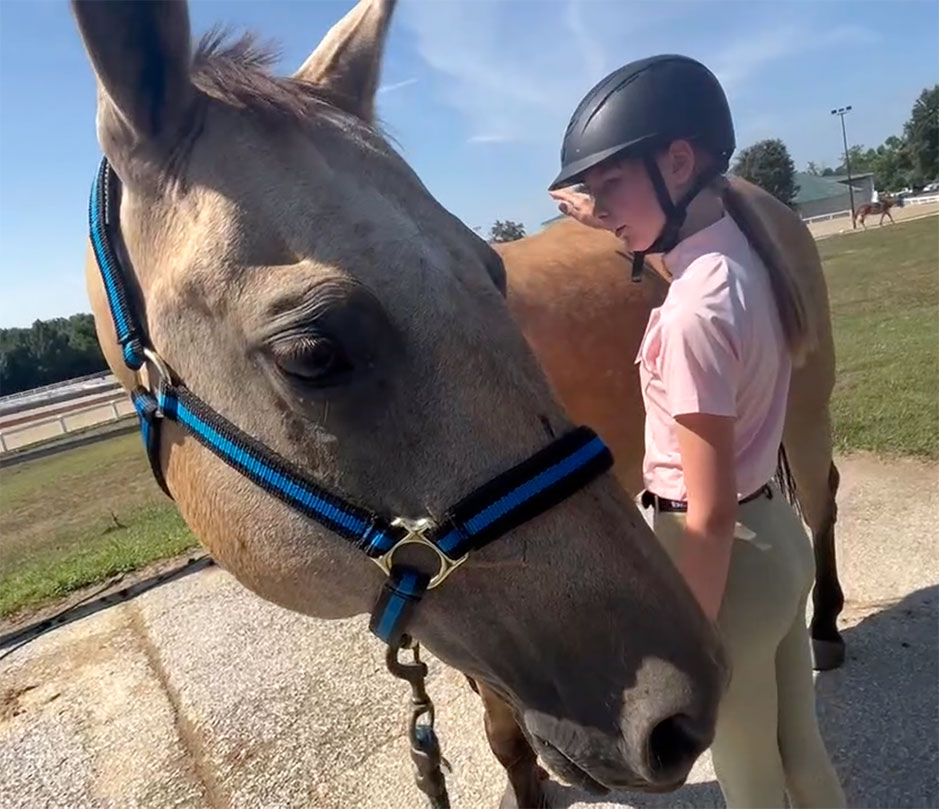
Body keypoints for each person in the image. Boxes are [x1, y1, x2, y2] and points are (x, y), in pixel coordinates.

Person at [548, 55, 845, 809]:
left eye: (609, 183)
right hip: (776, 537)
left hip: (721, 562)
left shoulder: (689, 315)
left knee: (749, 782)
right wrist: (614, 217)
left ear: (677, 162)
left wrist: (690, 638)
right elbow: (690, 261)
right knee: (796, 745)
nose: (598, 204)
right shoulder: (745, 256)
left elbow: (707, 514)